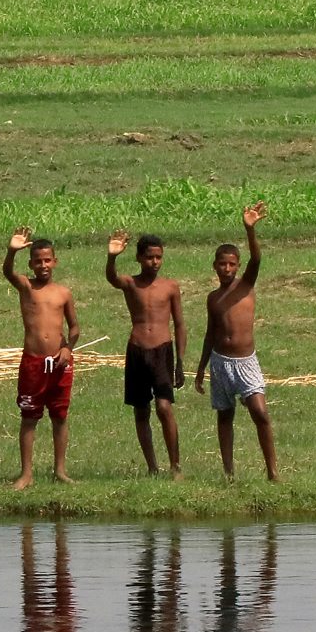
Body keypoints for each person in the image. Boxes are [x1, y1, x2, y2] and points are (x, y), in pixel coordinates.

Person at [195, 203, 279, 481]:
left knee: (260, 412)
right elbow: (210, 333)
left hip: (245, 362)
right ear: (215, 266)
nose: (227, 268)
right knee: (225, 415)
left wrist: (249, 229)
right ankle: (229, 472)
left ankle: (272, 472)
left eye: (232, 264)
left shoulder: (246, 285)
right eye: (222, 263)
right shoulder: (212, 298)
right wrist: (200, 370)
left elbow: (257, 259)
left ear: (238, 266)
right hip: (220, 362)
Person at [106, 230, 186, 478]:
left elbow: (180, 324)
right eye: (150, 257)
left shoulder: (170, 287)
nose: (155, 262)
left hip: (162, 349)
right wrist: (112, 257)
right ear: (139, 258)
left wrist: (180, 361)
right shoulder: (131, 283)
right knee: (141, 410)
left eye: (159, 257)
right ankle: (152, 466)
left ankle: (175, 466)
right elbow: (112, 278)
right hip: (137, 349)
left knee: (164, 407)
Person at [3, 226, 79, 488]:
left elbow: (75, 327)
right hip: (33, 362)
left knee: (59, 416)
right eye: (38, 261)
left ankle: (60, 470)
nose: (43, 265)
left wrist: (68, 348)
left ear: (55, 261)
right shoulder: (26, 286)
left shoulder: (63, 292)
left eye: (47, 260)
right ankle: (26, 474)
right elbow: (8, 273)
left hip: (59, 363)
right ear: (31, 264)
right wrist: (11, 251)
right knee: (29, 417)